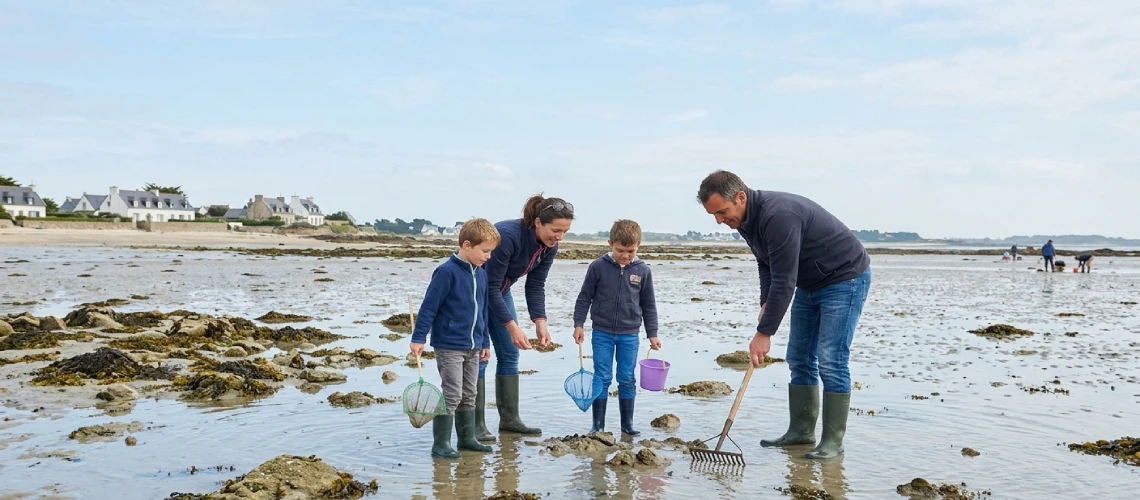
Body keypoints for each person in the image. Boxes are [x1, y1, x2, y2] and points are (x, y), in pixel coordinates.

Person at [697, 170, 871, 460]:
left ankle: (832, 442)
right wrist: (766, 301)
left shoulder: (779, 216)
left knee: (831, 359)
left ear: (740, 197)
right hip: (810, 283)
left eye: (722, 212)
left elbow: (785, 278)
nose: (719, 221)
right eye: (714, 215)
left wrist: (764, 332)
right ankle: (801, 433)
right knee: (799, 358)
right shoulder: (745, 220)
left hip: (845, 279)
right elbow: (766, 264)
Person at [476, 194, 575, 439]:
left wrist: (540, 323)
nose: (559, 237)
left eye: (565, 232)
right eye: (556, 230)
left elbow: (535, 285)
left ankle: (510, 420)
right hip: (472, 294)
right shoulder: (507, 236)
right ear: (538, 222)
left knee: (510, 353)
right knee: (479, 356)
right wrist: (511, 326)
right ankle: (475, 426)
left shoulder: (550, 247)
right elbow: (488, 287)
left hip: (500, 291)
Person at [410, 218, 499, 458]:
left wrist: (485, 342)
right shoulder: (446, 272)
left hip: (473, 347)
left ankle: (467, 439)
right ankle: (440, 444)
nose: (488, 256)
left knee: (470, 394)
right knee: (452, 394)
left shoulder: (481, 274)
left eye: (490, 252)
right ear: (467, 245)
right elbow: (429, 307)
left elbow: (483, 311)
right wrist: (418, 338)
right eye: (485, 251)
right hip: (449, 345)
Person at [572, 219, 661, 436]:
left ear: (638, 246)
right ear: (610, 243)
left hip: (630, 334)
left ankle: (627, 425)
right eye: (620, 250)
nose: (625, 255)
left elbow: (649, 304)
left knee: (627, 378)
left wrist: (653, 334)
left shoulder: (643, 270)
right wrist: (578, 324)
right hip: (601, 332)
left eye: (630, 251)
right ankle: (598, 425)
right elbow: (585, 297)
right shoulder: (597, 267)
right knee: (602, 377)